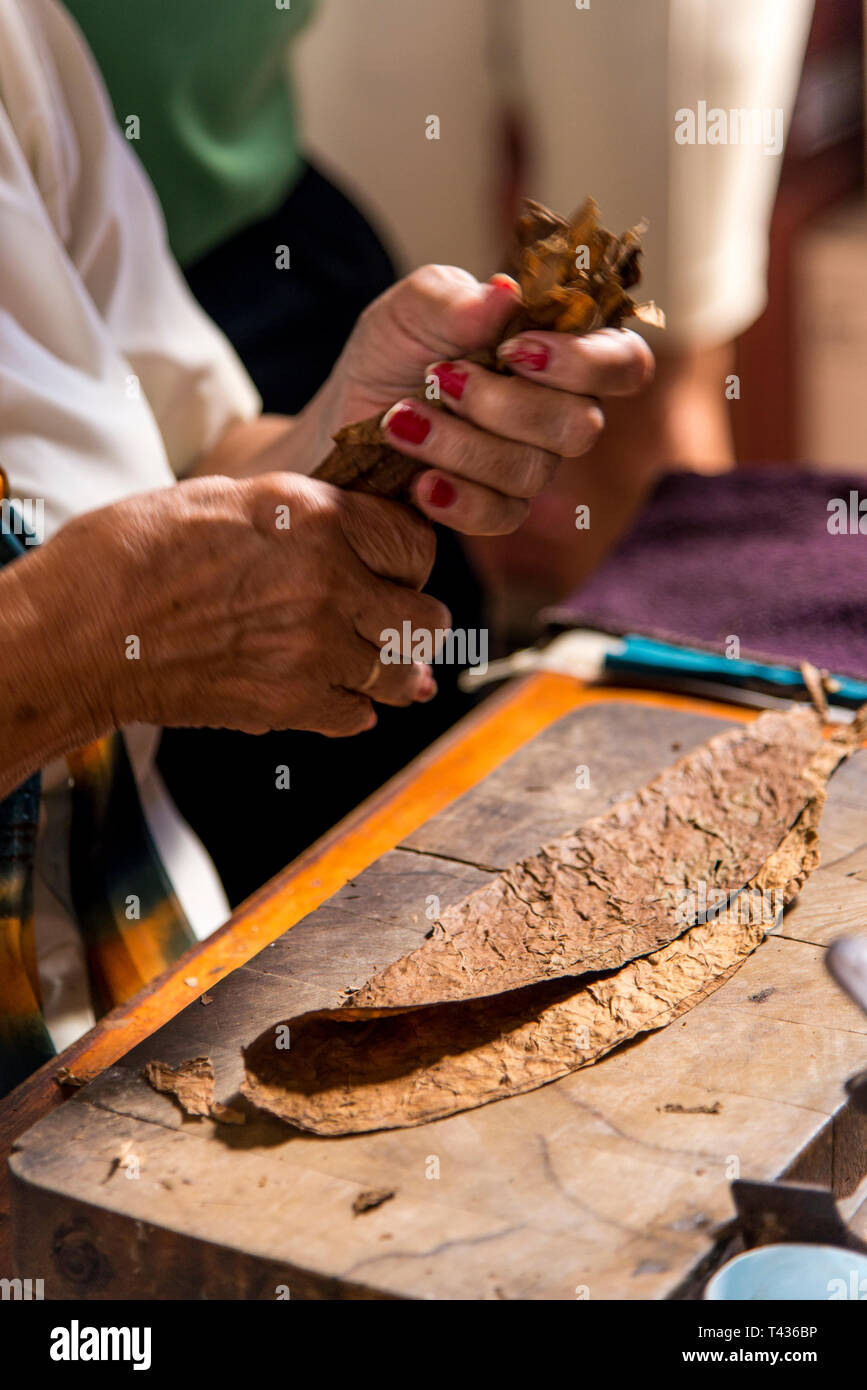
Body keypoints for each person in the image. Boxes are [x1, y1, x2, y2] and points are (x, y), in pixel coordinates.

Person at [0, 0, 652, 1077]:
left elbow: (182, 450)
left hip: (144, 1008)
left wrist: (360, 435)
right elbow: (102, 597)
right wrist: (70, 648)